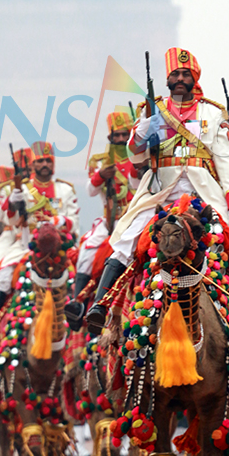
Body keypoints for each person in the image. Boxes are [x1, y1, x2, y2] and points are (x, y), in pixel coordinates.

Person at [87, 47, 229, 339]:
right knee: (127, 237)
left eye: (185, 74)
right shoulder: (151, 110)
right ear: (167, 79)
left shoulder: (213, 112)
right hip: (161, 193)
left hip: (203, 192)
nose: (180, 78)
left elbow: (227, 161)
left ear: (194, 78)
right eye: (175, 74)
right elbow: (137, 160)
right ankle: (99, 305)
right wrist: (139, 135)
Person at [0, 142, 80, 338]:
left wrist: (57, 220)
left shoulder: (65, 190)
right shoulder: (23, 190)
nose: (45, 164)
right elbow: (7, 219)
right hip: (27, 245)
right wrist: (12, 201)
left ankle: (81, 318)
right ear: (33, 165)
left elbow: (74, 223)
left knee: (82, 272)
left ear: (53, 164)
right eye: (40, 161)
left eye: (48, 161)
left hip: (61, 245)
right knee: (1, 277)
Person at [66, 110, 139, 329]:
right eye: (116, 136)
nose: (120, 139)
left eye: (124, 134)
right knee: (87, 251)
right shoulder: (101, 162)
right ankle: (78, 303)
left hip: (137, 216)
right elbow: (89, 190)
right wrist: (101, 176)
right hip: (111, 221)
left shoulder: (140, 156)